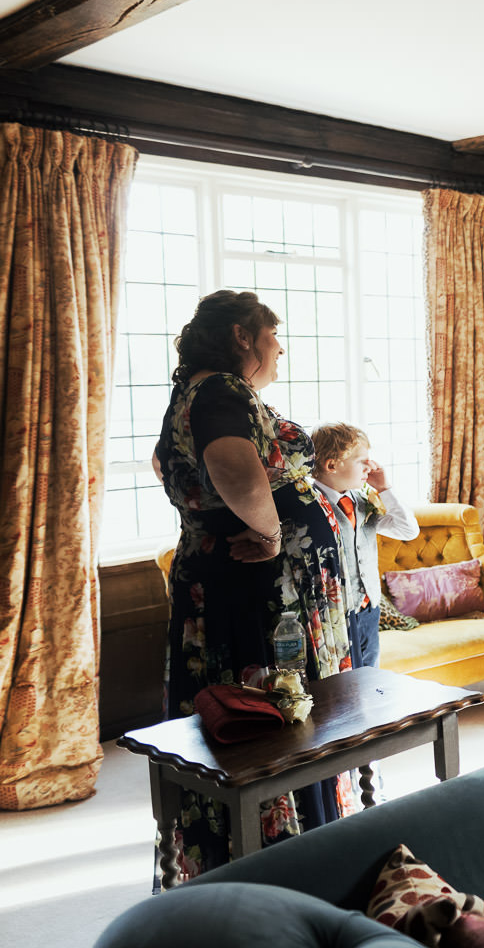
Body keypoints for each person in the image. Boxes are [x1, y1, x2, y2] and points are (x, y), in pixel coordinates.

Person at [153, 290, 354, 882]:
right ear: (243, 335)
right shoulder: (220, 390)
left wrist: (212, 519)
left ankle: (275, 848)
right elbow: (230, 461)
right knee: (268, 716)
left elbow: (165, 464)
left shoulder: (191, 391)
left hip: (231, 581)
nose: (280, 345)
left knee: (255, 712)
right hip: (260, 592)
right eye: (273, 333)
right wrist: (267, 532)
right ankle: (289, 859)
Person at [310, 423, 419, 670]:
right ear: (332, 465)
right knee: (340, 679)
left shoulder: (364, 500)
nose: (371, 467)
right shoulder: (310, 503)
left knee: (371, 674)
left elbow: (408, 530)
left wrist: (384, 489)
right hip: (332, 613)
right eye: (362, 461)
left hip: (369, 608)